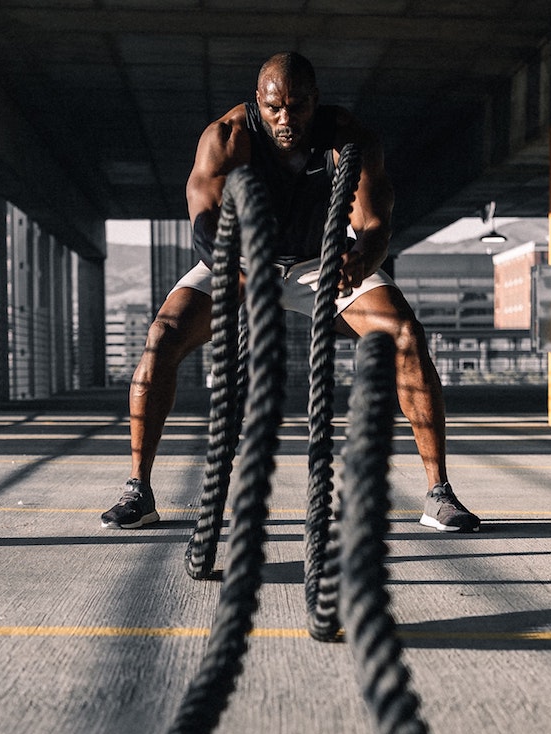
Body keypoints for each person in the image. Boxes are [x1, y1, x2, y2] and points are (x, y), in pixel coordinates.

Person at [101, 52, 479, 534]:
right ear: (258, 101)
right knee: (163, 335)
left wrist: (361, 258)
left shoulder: (349, 139)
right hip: (237, 260)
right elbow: (203, 222)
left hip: (318, 259)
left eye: (298, 107)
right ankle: (138, 490)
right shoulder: (227, 137)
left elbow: (375, 220)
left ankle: (439, 494)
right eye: (275, 107)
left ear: (315, 101)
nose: (286, 119)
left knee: (405, 333)